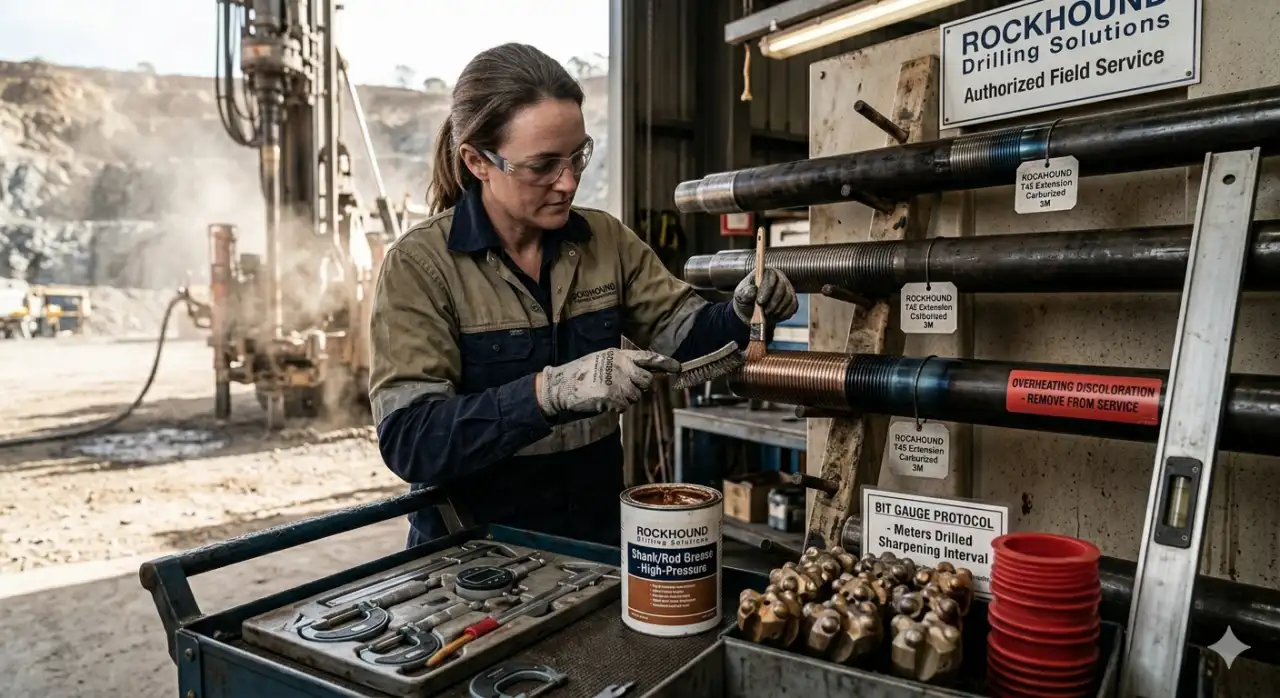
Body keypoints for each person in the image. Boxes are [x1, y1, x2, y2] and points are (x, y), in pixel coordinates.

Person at [369, 43, 799, 549]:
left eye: (578, 156)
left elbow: (686, 340)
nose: (568, 182)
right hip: (473, 558)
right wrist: (547, 393)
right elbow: (412, 441)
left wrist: (742, 313)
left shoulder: (606, 242)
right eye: (542, 166)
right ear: (477, 161)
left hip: (593, 546)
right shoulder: (421, 266)